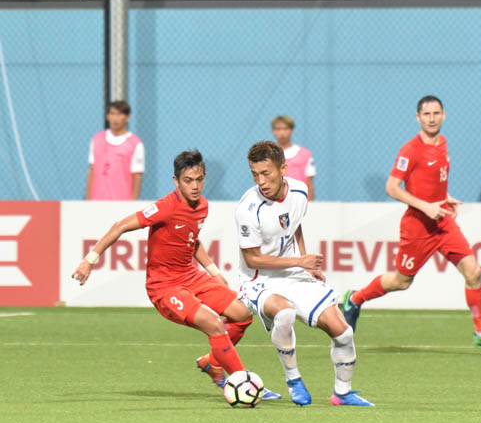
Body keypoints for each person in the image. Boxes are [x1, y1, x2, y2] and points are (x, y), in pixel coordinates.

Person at [72, 150, 280, 399]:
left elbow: (192, 240)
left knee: (242, 315)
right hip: (165, 287)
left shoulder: (202, 206)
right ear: (176, 181)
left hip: (191, 277)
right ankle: (244, 384)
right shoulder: (165, 207)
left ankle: (211, 363)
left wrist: (213, 271)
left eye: (199, 179)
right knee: (215, 325)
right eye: (188, 181)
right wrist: (89, 260)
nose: (195, 186)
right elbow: (120, 226)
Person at [341, 95, 481, 352]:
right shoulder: (410, 150)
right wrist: (426, 206)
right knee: (401, 281)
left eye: (436, 113)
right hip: (418, 225)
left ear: (444, 115)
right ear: (418, 118)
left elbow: (431, 182)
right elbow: (392, 188)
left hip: (442, 221)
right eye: (427, 114)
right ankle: (354, 299)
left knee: (473, 272)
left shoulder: (443, 143)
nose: (432, 118)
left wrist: (444, 198)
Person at [235, 141, 373, 407]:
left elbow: (293, 226)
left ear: (283, 169)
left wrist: (305, 264)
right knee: (284, 312)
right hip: (257, 279)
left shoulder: (299, 191)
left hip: (291, 272)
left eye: (267, 173)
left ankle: (342, 393)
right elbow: (251, 258)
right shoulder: (248, 209)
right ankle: (293, 378)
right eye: (255, 175)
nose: (261, 181)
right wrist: (300, 260)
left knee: (343, 331)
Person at [86, 100, 145, 200]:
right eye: (112, 114)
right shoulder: (97, 140)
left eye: (119, 114)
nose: (115, 118)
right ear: (108, 117)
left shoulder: (135, 143)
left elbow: (137, 176)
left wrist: (133, 203)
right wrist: (88, 200)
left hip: (122, 202)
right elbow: (92, 170)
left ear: (127, 117)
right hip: (97, 202)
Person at [271, 115, 316, 200]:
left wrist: (310, 204)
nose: (282, 133)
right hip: (275, 201)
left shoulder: (305, 154)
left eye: (285, 129)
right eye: (278, 129)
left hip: (298, 200)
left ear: (291, 130)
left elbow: (309, 182)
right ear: (273, 131)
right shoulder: (268, 155)